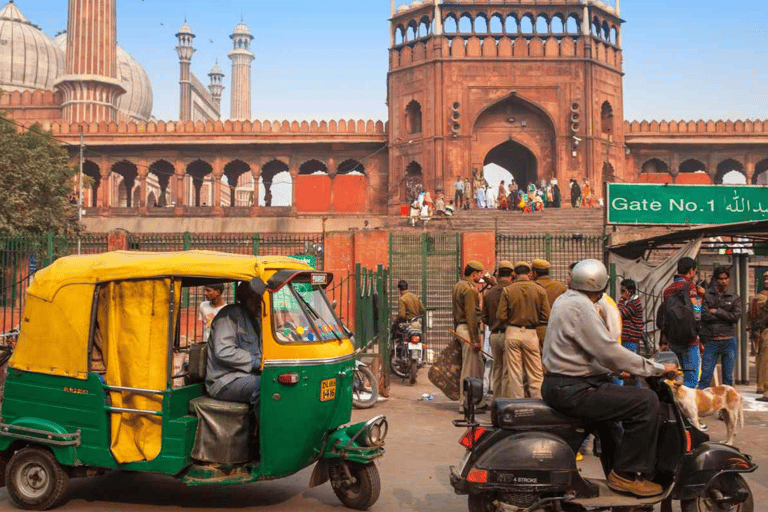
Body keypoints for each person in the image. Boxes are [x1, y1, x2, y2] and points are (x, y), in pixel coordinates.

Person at [542, 259, 676, 498]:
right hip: (574, 388)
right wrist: (655, 368)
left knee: (612, 422)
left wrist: (619, 370)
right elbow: (608, 349)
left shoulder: (566, 299)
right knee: (646, 401)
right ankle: (625, 475)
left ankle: (617, 472)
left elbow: (582, 351)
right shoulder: (582, 307)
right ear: (601, 287)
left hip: (564, 383)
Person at [496, 261, 550, 399]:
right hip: (531, 333)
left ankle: (517, 405)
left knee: (515, 373)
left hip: (513, 331)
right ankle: (538, 403)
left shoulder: (508, 290)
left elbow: (500, 316)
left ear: (514, 274)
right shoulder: (539, 290)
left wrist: (512, 318)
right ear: (530, 273)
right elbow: (546, 315)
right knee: (536, 373)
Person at [206, 280, 264, 404]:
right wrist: (256, 362)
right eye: (255, 298)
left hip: (248, 376)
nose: (259, 302)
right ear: (243, 298)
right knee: (267, 386)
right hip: (225, 380)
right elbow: (223, 351)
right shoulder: (229, 316)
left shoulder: (255, 318)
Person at [662, 257, 706, 389]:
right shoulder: (690, 286)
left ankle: (677, 407)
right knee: (691, 381)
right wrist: (701, 297)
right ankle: (687, 408)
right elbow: (696, 311)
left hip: (674, 340)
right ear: (691, 271)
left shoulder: (668, 289)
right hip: (689, 340)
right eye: (695, 271)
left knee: (678, 378)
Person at [699, 267, 741, 388]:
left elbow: (735, 317)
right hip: (712, 340)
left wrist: (717, 312)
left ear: (728, 280)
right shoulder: (708, 296)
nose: (723, 281)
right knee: (705, 376)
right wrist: (725, 317)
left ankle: (728, 404)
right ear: (715, 279)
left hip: (729, 340)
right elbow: (703, 315)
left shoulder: (734, 297)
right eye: (720, 279)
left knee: (728, 378)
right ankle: (702, 403)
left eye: (725, 279)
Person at [453, 261, 486, 410]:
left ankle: (478, 401)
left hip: (461, 327)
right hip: (468, 330)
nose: (481, 277)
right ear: (474, 274)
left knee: (477, 367)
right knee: (469, 370)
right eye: (480, 274)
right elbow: (471, 316)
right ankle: (465, 404)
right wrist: (475, 339)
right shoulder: (470, 290)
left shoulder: (459, 285)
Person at [482, 261, 514, 397]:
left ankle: (496, 399)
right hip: (509, 334)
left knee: (497, 369)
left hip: (494, 334)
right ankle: (505, 401)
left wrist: (493, 323)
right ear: (512, 274)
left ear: (498, 274)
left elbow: (484, 317)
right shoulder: (514, 290)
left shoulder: (489, 293)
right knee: (508, 370)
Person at [531, 259, 567, 345]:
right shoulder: (560, 286)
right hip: (556, 328)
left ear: (535, 273)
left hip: (535, 329)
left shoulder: (531, 286)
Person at [617, 279, 644, 386]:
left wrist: (621, 300)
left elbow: (619, 313)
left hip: (631, 339)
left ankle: (636, 389)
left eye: (623, 291)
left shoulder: (634, 303)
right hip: (627, 338)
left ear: (629, 291)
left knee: (631, 367)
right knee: (626, 367)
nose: (621, 293)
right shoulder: (630, 302)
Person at [752, 271, 768, 398]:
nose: (766, 281)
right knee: (763, 360)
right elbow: (754, 315)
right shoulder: (760, 297)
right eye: (765, 278)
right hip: (763, 330)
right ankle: (762, 386)